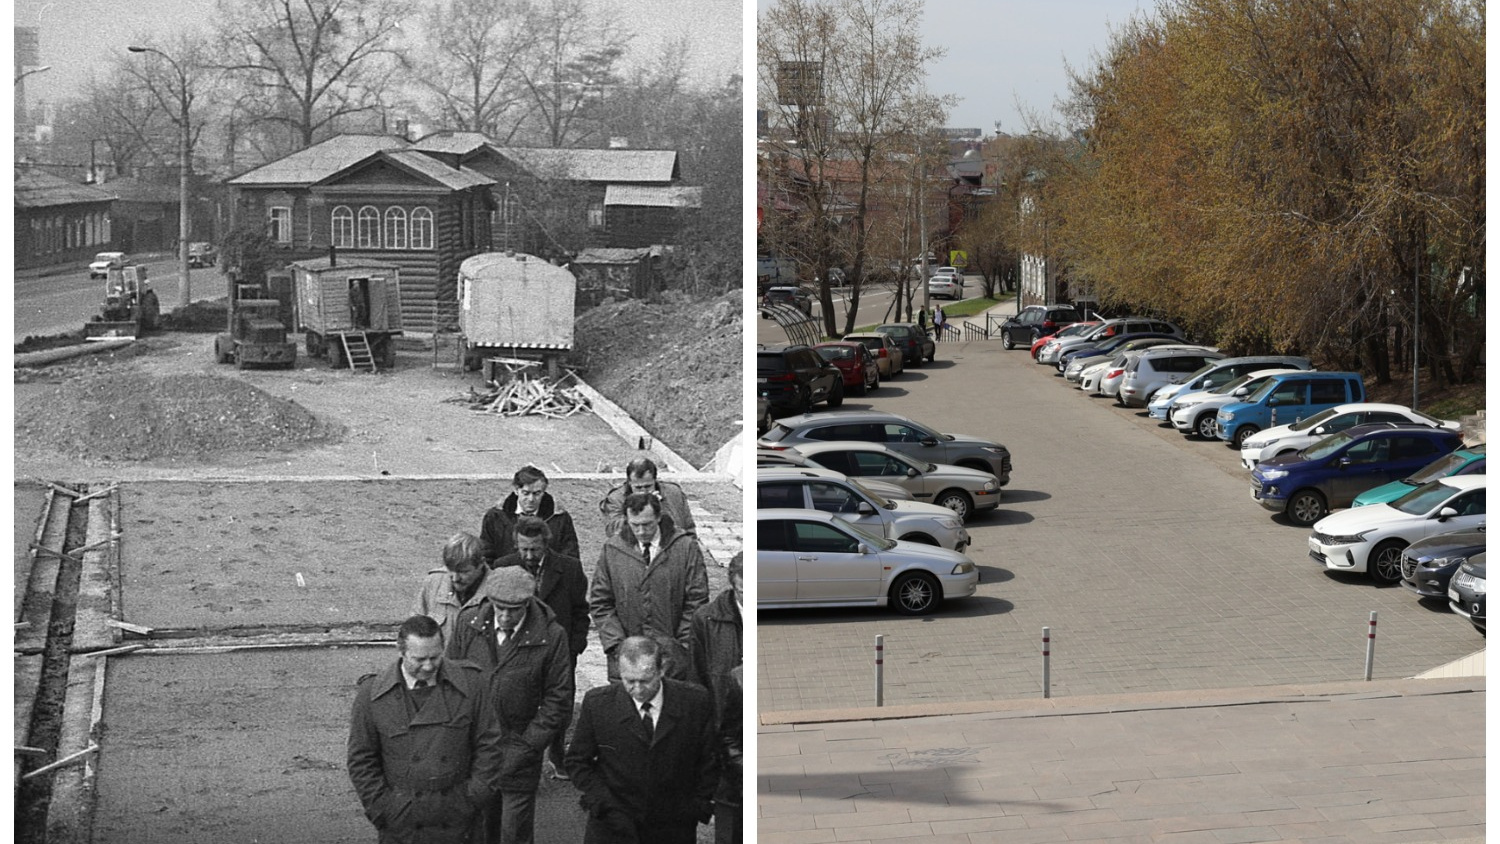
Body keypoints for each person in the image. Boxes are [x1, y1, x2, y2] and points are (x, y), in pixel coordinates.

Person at [447, 567, 574, 844]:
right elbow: (451, 681)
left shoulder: (552, 637)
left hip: (519, 753)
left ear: (528, 603)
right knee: (476, 829)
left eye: (513, 610)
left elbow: (558, 699)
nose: (504, 616)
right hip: (475, 750)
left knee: (513, 832)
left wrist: (526, 746)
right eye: (499, 608)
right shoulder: (468, 623)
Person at [348, 614, 499, 844]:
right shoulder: (371, 695)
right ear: (401, 652)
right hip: (402, 826)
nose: (428, 666)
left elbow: (490, 746)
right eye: (419, 659)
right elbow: (361, 759)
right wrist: (383, 808)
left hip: (459, 823)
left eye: (435, 657)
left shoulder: (472, 684)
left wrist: (473, 798)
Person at [565, 636, 719, 844]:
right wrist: (603, 802)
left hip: (673, 826)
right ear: (620, 672)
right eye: (629, 681)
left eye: (645, 681)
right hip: (613, 826)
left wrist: (696, 806)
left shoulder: (694, 702)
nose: (637, 689)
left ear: (661, 670)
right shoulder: (598, 704)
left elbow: (709, 759)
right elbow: (577, 762)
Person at [490, 515, 590, 781]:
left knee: (559, 706)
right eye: (523, 549)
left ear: (546, 543)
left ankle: (558, 756)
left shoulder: (569, 569)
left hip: (559, 651)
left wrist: (575, 646)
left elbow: (581, 611)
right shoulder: (504, 567)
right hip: (517, 652)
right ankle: (514, 759)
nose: (529, 555)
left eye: (534, 549)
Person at [589, 492, 708, 682]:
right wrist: (617, 645)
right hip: (626, 659)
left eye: (647, 524)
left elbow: (697, 600)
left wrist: (680, 645)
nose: (641, 531)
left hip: (674, 661)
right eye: (635, 525)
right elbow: (601, 602)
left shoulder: (685, 547)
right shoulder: (612, 549)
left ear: (659, 518)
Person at [689, 553, 743, 844]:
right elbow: (696, 680)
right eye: (744, 589)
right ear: (733, 583)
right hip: (723, 736)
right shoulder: (706, 619)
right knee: (729, 822)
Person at [481, 466, 581, 562]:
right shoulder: (495, 517)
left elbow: (570, 558)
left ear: (544, 491)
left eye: (537, 494)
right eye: (526, 493)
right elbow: (486, 555)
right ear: (516, 490)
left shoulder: (560, 518)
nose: (531, 499)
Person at [412, 532, 490, 646]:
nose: (455, 578)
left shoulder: (497, 590)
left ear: (481, 564)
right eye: (450, 569)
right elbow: (415, 628)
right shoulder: (433, 583)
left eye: (464, 572)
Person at [599, 457, 696, 536]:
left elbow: (688, 527)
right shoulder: (616, 499)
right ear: (629, 483)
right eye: (638, 487)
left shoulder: (673, 493)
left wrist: (659, 508)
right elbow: (613, 530)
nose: (643, 491)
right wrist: (637, 509)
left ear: (655, 480)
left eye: (648, 486)